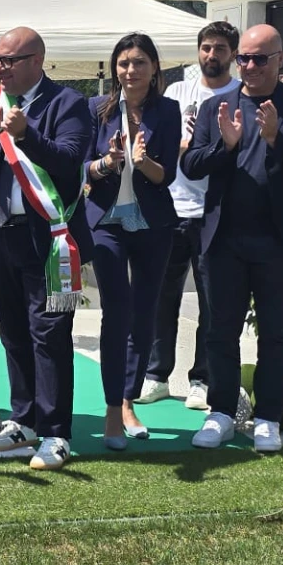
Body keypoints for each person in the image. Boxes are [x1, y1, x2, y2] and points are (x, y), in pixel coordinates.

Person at [0, 27, 92, 471]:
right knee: (12, 331)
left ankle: (56, 432)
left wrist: (27, 135)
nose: (1, 68)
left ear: (37, 60)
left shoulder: (67, 103)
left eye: (10, 60)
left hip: (49, 238)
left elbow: (69, 160)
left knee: (49, 335)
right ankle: (24, 419)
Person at [180, 23, 283, 454]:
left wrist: (276, 138)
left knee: (277, 334)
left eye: (259, 58)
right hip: (223, 240)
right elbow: (190, 165)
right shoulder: (216, 107)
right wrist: (225, 147)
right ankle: (222, 413)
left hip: (278, 240)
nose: (249, 66)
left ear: (279, 60)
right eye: (242, 57)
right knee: (219, 332)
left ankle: (268, 418)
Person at [83, 34, 179, 450]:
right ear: (114, 69)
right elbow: (82, 167)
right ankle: (111, 411)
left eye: (139, 62)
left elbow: (166, 175)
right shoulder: (95, 109)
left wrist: (143, 162)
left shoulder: (168, 111)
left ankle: (127, 402)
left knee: (144, 316)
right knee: (116, 312)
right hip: (105, 222)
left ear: (154, 68)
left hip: (153, 223)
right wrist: (106, 163)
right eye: (123, 63)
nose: (130, 70)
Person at [139, 22, 238, 412]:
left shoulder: (238, 95)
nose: (211, 55)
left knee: (212, 302)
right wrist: (180, 146)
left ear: (232, 54)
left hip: (215, 213)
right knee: (163, 298)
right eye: (206, 47)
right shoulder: (177, 92)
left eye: (220, 49)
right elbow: (158, 144)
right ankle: (156, 376)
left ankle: (202, 380)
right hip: (171, 209)